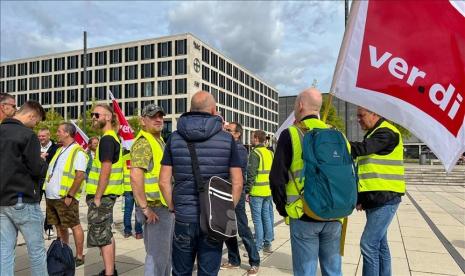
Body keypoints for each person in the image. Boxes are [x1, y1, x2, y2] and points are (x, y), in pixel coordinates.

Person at [158, 91, 243, 276]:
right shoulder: (227, 139)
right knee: (208, 272)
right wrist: (225, 208)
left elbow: (164, 181)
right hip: (213, 218)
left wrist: (173, 206)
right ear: (213, 110)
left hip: (184, 216)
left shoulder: (174, 137)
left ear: (190, 109)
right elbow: (237, 183)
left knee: (180, 272)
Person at [270, 88, 343, 276]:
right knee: (333, 270)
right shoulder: (338, 135)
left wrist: (282, 207)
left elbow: (277, 177)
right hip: (335, 213)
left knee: (305, 271)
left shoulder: (292, 134)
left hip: (304, 212)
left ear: (301, 105)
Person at [350, 107, 405, 276]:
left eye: (361, 115)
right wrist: (361, 198)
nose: (358, 119)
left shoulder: (387, 133)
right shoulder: (374, 134)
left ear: (375, 113)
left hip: (386, 198)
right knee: (380, 244)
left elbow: (362, 149)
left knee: (368, 244)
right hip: (376, 198)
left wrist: (335, 142)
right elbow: (366, 170)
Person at [0, 100, 48, 275]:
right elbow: (36, 169)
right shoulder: (27, 135)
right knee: (36, 251)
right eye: (36, 121)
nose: (35, 125)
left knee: (4, 251)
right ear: (31, 115)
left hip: (2, 201)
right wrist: (42, 161)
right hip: (23, 200)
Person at [130, 104, 174, 276]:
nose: (158, 119)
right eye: (152, 116)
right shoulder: (144, 142)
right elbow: (135, 176)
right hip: (155, 208)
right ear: (142, 121)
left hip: (162, 207)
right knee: (157, 257)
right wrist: (145, 209)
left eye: (160, 116)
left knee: (164, 256)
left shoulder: (158, 140)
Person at [43, 122, 88, 267]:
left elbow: (80, 176)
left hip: (65, 197)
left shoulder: (78, 151)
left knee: (74, 225)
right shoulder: (60, 150)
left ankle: (79, 256)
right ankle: (64, 252)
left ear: (67, 133)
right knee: (59, 226)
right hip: (52, 197)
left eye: (59, 131)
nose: (57, 133)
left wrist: (70, 196)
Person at [86, 104, 124, 276]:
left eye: (97, 114)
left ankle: (109, 273)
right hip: (107, 194)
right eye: (92, 114)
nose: (93, 117)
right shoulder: (110, 138)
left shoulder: (108, 139)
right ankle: (111, 270)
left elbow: (106, 171)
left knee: (101, 235)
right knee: (106, 233)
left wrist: (97, 197)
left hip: (103, 195)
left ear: (108, 117)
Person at [221, 122, 260, 275]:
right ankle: (234, 260)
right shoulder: (227, 147)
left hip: (236, 192)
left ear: (237, 134)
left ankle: (254, 261)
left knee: (242, 228)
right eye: (225, 129)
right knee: (227, 228)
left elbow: (236, 172)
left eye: (229, 130)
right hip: (225, 191)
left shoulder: (239, 149)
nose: (226, 132)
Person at [246, 130, 275, 256]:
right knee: (267, 218)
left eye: (252, 137)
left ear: (257, 138)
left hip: (257, 191)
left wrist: (247, 191)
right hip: (268, 191)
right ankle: (267, 245)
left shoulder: (255, 153)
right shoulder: (270, 153)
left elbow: (251, 174)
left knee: (257, 221)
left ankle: (257, 247)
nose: (251, 140)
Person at [38, 127, 59, 237]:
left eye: (43, 136)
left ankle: (49, 225)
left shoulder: (56, 148)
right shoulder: (34, 146)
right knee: (34, 203)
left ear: (49, 136)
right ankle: (36, 226)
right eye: (39, 136)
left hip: (50, 180)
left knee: (50, 205)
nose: (41, 138)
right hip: (37, 179)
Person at [122, 150, 143, 239]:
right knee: (138, 210)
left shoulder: (124, 158)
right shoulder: (140, 157)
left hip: (127, 188)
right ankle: (138, 233)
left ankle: (127, 231)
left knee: (127, 210)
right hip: (138, 188)